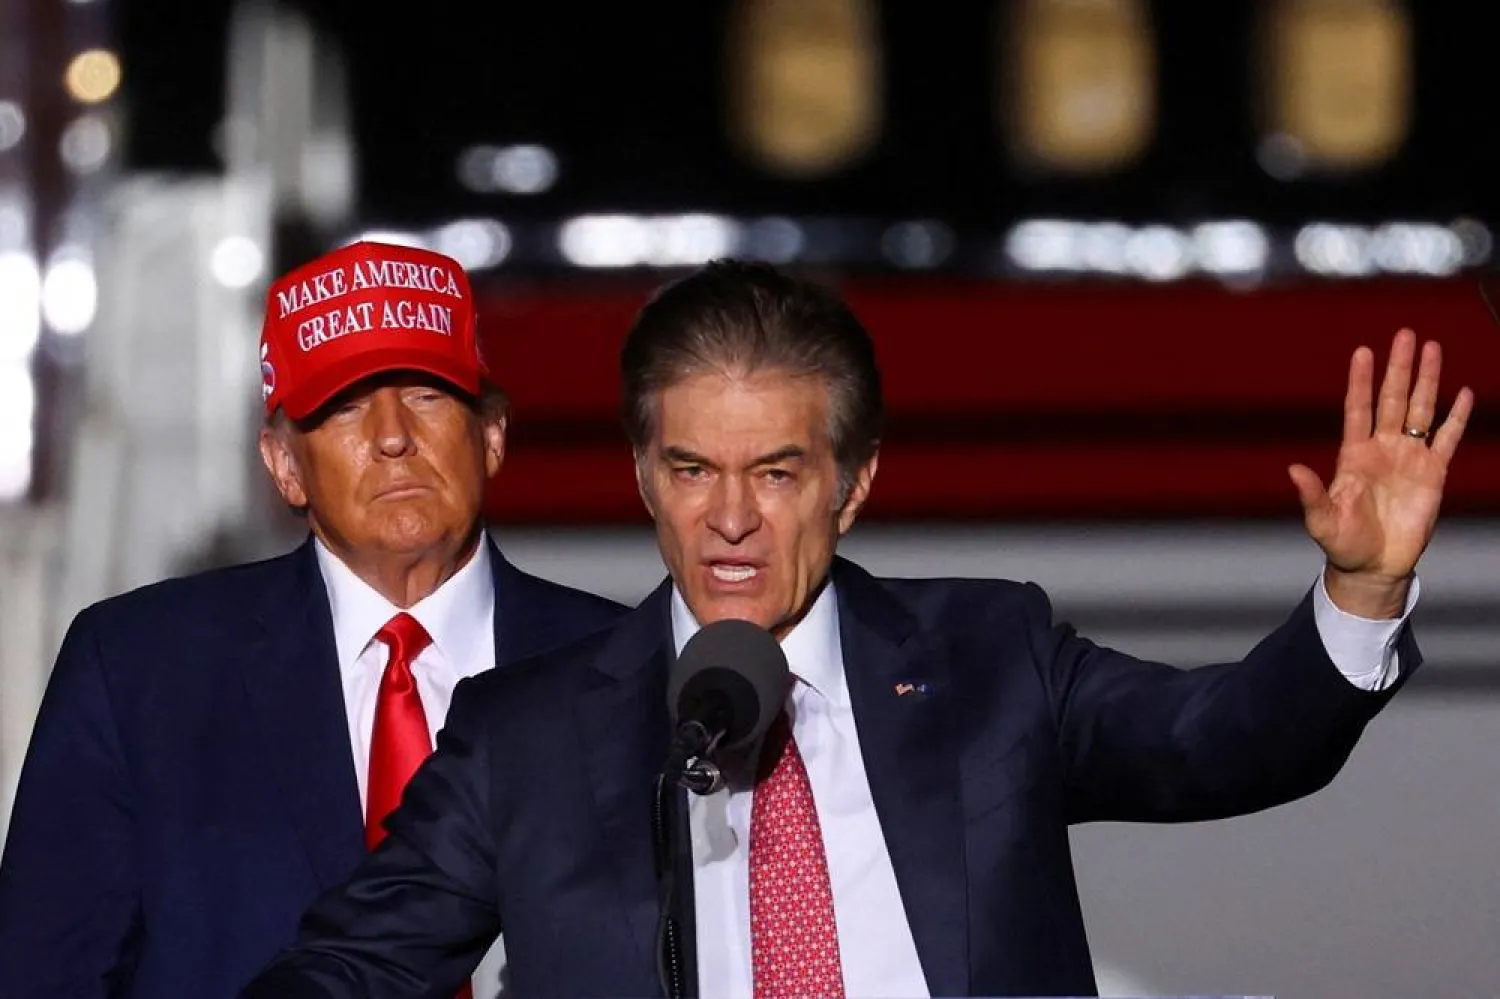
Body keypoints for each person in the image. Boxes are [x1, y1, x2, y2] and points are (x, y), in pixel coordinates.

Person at [240, 259, 1472, 998]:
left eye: (776, 473)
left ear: (854, 482)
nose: (729, 521)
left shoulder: (989, 662)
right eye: (691, 472)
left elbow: (1231, 742)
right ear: (642, 477)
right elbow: (349, 971)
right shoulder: (529, 737)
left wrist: (1358, 593)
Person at [0, 241, 626, 998]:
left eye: (427, 394)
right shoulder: (140, 673)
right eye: (347, 405)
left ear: (492, 433)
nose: (393, 436)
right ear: (283, 465)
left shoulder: (627, 668)